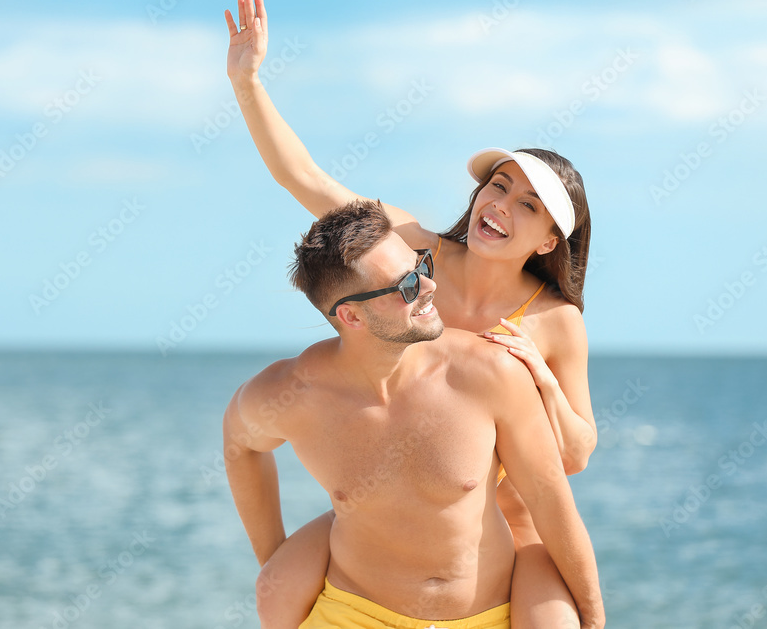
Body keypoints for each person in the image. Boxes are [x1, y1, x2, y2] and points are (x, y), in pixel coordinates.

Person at [224, 0, 598, 628]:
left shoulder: (555, 319)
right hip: (388, 513)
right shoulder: (415, 251)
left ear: (547, 242)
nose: (501, 204)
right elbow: (306, 181)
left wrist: (540, 377)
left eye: (528, 205)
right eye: (498, 185)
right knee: (276, 586)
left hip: (505, 528)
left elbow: (578, 451)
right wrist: (248, 82)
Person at [223, 200, 604, 629]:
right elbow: (240, 443)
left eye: (422, 265)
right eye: (405, 286)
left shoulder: (490, 373)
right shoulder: (293, 393)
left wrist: (593, 616)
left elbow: (550, 501)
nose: (428, 286)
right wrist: (273, 555)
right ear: (351, 316)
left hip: (485, 615)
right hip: (351, 612)